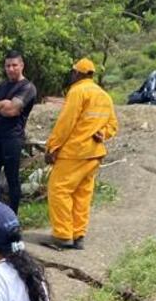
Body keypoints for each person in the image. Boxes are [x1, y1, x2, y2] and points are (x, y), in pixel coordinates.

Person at [45, 57, 119, 250]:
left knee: (58, 190)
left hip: (75, 152)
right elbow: (112, 126)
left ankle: (62, 235)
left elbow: (66, 122)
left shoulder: (77, 91)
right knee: (82, 194)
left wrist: (52, 146)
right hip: (94, 154)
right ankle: (78, 235)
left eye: (73, 72)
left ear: (77, 73)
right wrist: (102, 133)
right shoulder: (104, 96)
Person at [0, 51, 38, 214]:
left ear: (21, 65)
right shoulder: (2, 86)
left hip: (13, 138)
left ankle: (12, 215)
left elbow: (12, 110)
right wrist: (3, 104)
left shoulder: (27, 87)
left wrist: (0, 106)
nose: (11, 69)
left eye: (14, 65)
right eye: (8, 66)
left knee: (11, 178)